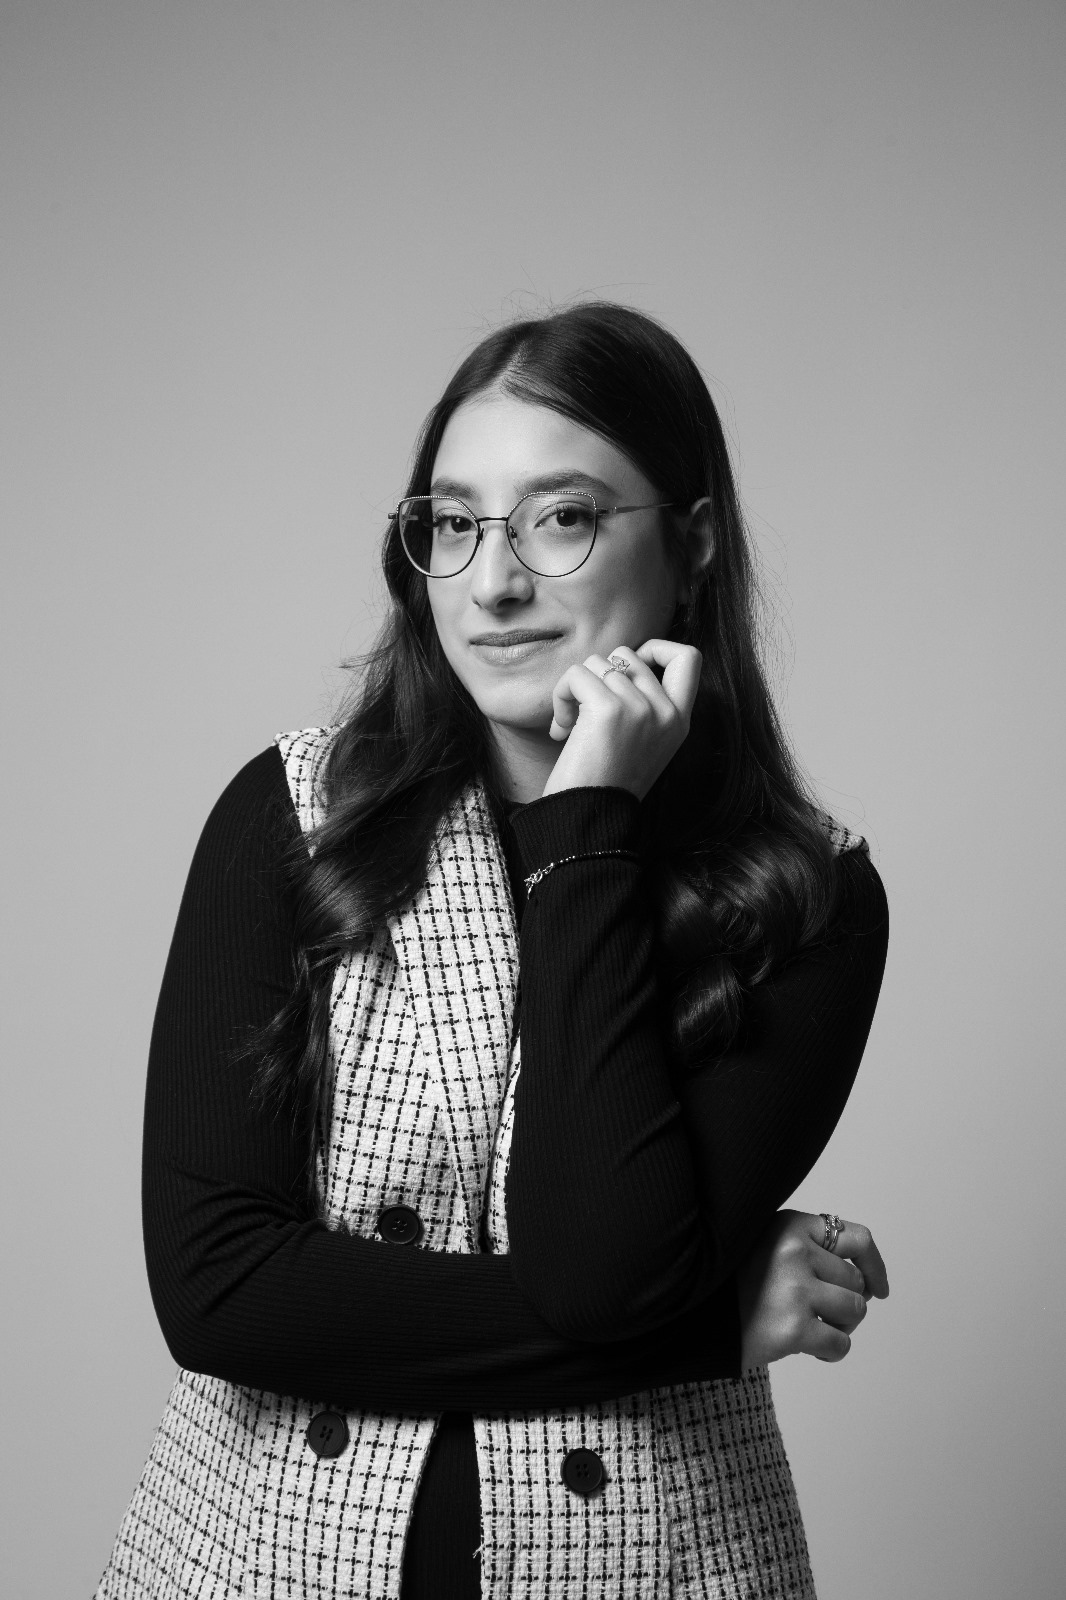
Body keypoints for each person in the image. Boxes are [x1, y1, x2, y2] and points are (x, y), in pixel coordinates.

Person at [96, 302, 890, 1600]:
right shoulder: (295, 816)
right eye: (454, 523)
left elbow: (605, 1269)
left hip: (656, 1559)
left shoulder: (803, 893)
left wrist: (589, 826)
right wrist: (703, 1325)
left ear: (692, 541)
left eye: (561, 518)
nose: (494, 583)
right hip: (268, 1557)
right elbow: (219, 1291)